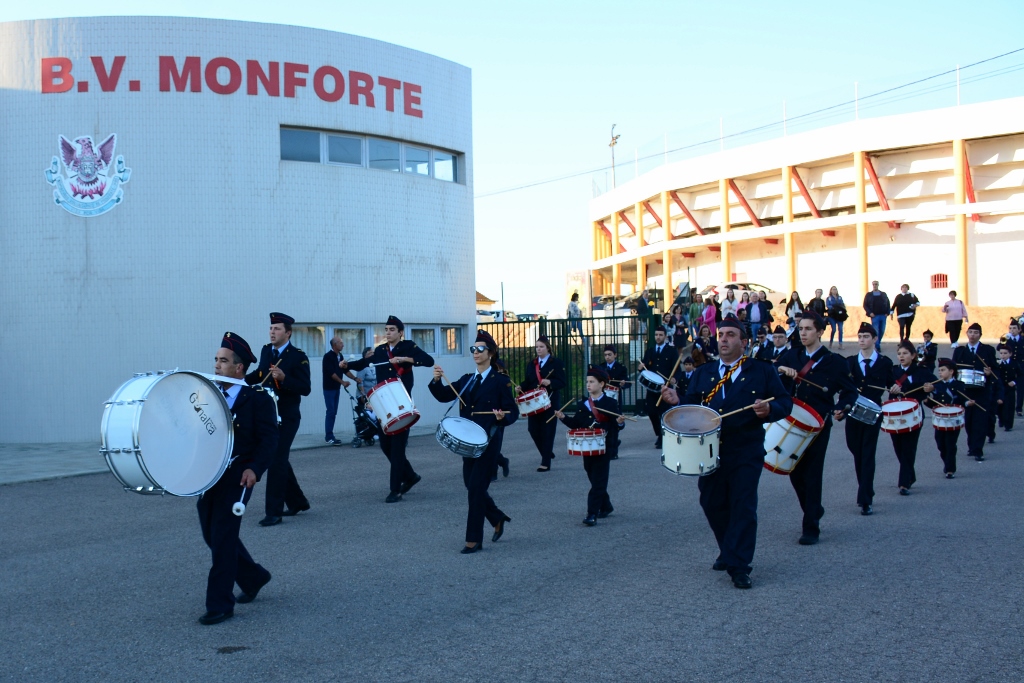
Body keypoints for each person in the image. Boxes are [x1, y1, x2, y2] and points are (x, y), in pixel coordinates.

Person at [659, 318, 793, 589]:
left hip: (745, 448)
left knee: (743, 506)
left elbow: (784, 402)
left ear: (743, 342)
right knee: (712, 503)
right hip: (708, 451)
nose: (723, 339)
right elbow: (692, 408)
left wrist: (770, 411)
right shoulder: (704, 372)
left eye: (731, 335)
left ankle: (740, 565)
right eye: (721, 335)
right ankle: (729, 548)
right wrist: (678, 402)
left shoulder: (762, 370)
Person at [198, 332, 277, 625]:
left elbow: (270, 440)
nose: (217, 366)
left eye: (223, 361)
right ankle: (254, 577)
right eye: (216, 360)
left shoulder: (257, 399)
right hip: (209, 477)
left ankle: (220, 603)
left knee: (222, 538)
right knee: (211, 533)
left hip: (238, 478)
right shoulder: (208, 397)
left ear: (239, 368)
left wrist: (255, 469)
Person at [429, 331, 518, 554]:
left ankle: (473, 539)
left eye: (480, 349)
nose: (475, 353)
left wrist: (502, 417)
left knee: (476, 488)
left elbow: (513, 411)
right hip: (468, 443)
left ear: (491, 353)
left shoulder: (501, 382)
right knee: (471, 485)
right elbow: (443, 396)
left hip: (489, 442)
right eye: (473, 349)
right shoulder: (467, 379)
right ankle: (497, 517)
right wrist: (437, 380)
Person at [776, 312, 859, 545]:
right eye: (800, 329)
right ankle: (813, 509)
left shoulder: (835, 363)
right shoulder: (791, 355)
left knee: (812, 474)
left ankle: (811, 526)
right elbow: (771, 377)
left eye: (808, 329)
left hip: (818, 424)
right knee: (793, 471)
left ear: (820, 331)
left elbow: (850, 391)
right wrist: (781, 371)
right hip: (792, 422)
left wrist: (843, 407)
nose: (803, 333)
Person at [344, 315, 434, 502]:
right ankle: (410, 476)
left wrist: (404, 359)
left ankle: (396, 490)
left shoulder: (409, 346)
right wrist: (347, 365)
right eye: (386, 330)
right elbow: (364, 363)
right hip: (384, 403)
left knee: (397, 446)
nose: (388, 333)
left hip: (401, 402)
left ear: (400, 332)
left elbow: (428, 360)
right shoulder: (380, 350)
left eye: (392, 330)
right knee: (385, 445)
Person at [245, 312, 311, 526]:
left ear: (288, 333)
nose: (272, 332)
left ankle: (274, 512)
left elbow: (305, 388)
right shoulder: (266, 350)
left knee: (275, 460)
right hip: (268, 415)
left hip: (288, 416)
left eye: (277, 329)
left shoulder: (298, 356)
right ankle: (297, 501)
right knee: (279, 458)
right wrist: (237, 381)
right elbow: (260, 374)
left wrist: (285, 379)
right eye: (271, 328)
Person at [554, 367, 624, 526]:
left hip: (604, 447)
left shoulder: (610, 403)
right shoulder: (583, 404)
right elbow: (575, 424)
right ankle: (606, 505)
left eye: (592, 382)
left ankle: (592, 513)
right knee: (593, 477)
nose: (588, 384)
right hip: (587, 448)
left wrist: (620, 423)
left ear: (602, 384)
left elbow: (616, 425)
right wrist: (563, 417)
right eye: (587, 382)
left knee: (599, 480)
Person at [845, 322, 893, 515]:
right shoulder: (849, 362)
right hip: (853, 414)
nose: (862, 340)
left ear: (875, 339)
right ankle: (866, 488)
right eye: (860, 337)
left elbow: (892, 384)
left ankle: (866, 498)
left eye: (866, 337)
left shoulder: (885, 363)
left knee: (867, 455)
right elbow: (843, 388)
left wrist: (896, 389)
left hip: (873, 415)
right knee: (856, 451)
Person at [886, 341, 936, 495]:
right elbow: (883, 384)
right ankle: (910, 475)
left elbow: (936, 384)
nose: (901, 356)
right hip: (895, 414)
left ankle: (903, 483)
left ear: (913, 355)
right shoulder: (893, 371)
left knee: (909, 447)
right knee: (898, 447)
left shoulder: (921, 371)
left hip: (914, 414)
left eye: (905, 353)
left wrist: (931, 388)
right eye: (899, 353)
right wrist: (891, 388)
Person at [516, 336, 566, 472]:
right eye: (537, 347)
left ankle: (545, 462)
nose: (538, 349)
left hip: (550, 401)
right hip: (534, 403)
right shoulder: (532, 364)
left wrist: (550, 382)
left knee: (548, 431)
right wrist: (521, 387)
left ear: (548, 348)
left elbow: (562, 382)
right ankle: (547, 452)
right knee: (533, 430)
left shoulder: (556, 363)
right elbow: (529, 382)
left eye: (541, 347)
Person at [952, 323, 998, 460]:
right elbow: (953, 370)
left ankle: (978, 450)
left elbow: (996, 369)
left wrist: (990, 373)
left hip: (982, 390)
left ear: (980, 335)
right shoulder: (960, 351)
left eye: (976, 333)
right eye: (970, 332)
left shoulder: (987, 350)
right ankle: (972, 446)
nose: (973, 335)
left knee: (980, 420)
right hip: (966, 391)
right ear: (967, 334)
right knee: (969, 420)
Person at [925, 359, 967, 478]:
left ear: (951, 371)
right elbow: (935, 404)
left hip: (954, 419)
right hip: (940, 419)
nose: (940, 373)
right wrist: (927, 401)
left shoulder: (959, 385)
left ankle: (950, 469)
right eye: (939, 370)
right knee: (940, 443)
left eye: (943, 370)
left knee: (950, 443)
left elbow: (962, 401)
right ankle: (946, 462)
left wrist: (968, 403)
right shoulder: (938, 386)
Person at [640, 326, 678, 449]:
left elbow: (677, 369)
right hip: (652, 388)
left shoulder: (672, 351)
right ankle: (659, 434)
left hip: (665, 387)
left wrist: (674, 378)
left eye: (661, 335)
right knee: (651, 411)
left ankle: (663, 438)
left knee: (664, 413)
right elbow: (644, 367)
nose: (658, 337)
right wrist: (640, 368)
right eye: (656, 335)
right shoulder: (650, 351)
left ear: (665, 336)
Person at [322, 337, 356, 445]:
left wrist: (355, 379)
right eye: (341, 343)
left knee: (334, 412)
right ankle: (329, 436)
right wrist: (343, 382)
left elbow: (345, 370)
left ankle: (330, 435)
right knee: (331, 411)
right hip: (329, 388)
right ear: (334, 345)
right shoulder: (328, 357)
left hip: (336, 388)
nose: (343, 345)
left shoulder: (340, 356)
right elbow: (332, 374)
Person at [863, 281, 891, 351]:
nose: (875, 285)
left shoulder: (883, 294)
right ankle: (877, 346)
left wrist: (887, 312)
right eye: (874, 284)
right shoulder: (869, 295)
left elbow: (888, 303)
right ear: (872, 285)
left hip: (883, 315)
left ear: (878, 285)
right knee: (876, 331)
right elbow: (865, 305)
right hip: (874, 316)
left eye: (876, 284)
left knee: (882, 330)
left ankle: (877, 342)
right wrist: (870, 313)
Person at [995, 344, 1018, 432]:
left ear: (1010, 354)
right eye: (1001, 353)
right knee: (1000, 405)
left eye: (1005, 353)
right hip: (1000, 388)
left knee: (1009, 406)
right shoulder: (998, 363)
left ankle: (1008, 424)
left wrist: (1014, 382)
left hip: (1010, 388)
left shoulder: (1014, 363)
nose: (1003, 355)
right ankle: (1001, 419)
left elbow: (1020, 375)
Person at [1003, 319, 1024, 416]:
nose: (1012, 330)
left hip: (1021, 365)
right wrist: (1004, 340)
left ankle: (1019, 408)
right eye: (1010, 328)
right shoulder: (1007, 339)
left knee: (1020, 387)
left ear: (1019, 330)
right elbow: (999, 348)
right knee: (1006, 385)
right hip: (1009, 365)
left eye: (1014, 328)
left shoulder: (1022, 340)